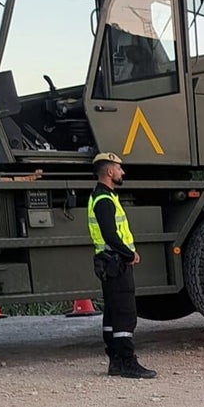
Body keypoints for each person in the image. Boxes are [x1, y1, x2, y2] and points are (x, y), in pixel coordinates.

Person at [87, 151, 156, 379]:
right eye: (119, 168)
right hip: (116, 262)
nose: (122, 172)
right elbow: (110, 234)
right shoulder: (105, 200)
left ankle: (115, 361)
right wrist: (129, 254)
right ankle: (128, 362)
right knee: (125, 313)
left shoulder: (101, 196)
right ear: (109, 171)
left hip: (108, 262)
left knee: (112, 312)